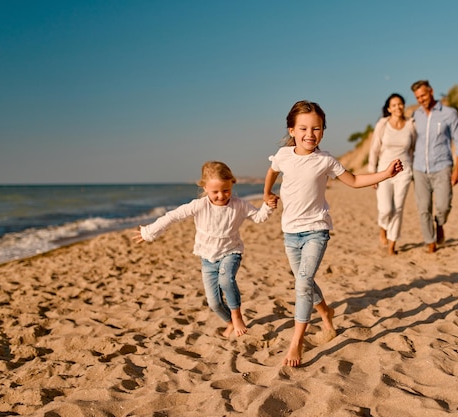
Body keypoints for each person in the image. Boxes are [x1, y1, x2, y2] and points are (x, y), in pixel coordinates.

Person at [264, 100, 403, 367]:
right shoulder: (283, 155)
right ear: (292, 130)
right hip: (290, 233)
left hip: (317, 230)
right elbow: (272, 171)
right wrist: (267, 193)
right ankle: (326, 314)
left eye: (316, 128)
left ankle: (297, 343)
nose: (310, 134)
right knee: (306, 282)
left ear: (323, 131)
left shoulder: (325, 160)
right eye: (303, 128)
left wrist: (385, 174)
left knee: (302, 283)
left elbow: (354, 181)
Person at [132, 161, 278, 338]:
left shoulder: (239, 205)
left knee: (226, 280)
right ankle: (230, 322)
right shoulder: (199, 205)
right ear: (205, 188)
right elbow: (172, 217)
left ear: (232, 183)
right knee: (214, 303)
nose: (221, 196)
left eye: (225, 190)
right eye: (215, 192)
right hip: (207, 258)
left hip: (231, 252)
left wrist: (268, 206)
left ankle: (237, 316)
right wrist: (148, 232)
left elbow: (258, 217)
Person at [410, 80, 458, 253]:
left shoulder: (449, 113)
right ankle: (430, 241)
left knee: (443, 206)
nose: (421, 99)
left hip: (442, 167)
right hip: (419, 168)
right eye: (418, 97)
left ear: (431, 91)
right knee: (423, 208)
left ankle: (440, 223)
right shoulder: (415, 116)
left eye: (423, 95)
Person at [368, 93, 416, 255]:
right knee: (386, 208)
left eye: (400, 104)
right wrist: (372, 173)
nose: (398, 107)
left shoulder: (411, 124)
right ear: (389, 108)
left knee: (399, 208)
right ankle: (383, 228)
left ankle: (392, 244)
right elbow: (374, 149)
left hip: (404, 171)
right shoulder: (382, 124)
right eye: (394, 105)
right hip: (384, 171)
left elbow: (413, 149)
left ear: (403, 105)